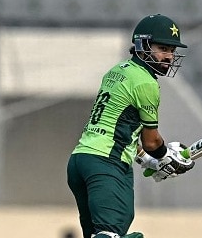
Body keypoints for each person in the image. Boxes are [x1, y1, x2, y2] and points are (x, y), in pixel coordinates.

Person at [67, 14, 195, 238]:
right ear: (142, 45)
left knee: (100, 234)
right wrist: (165, 156)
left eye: (172, 51)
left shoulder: (117, 71)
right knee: (110, 233)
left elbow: (120, 128)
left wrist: (147, 158)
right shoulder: (145, 82)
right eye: (163, 48)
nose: (169, 57)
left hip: (80, 161)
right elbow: (152, 141)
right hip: (106, 163)